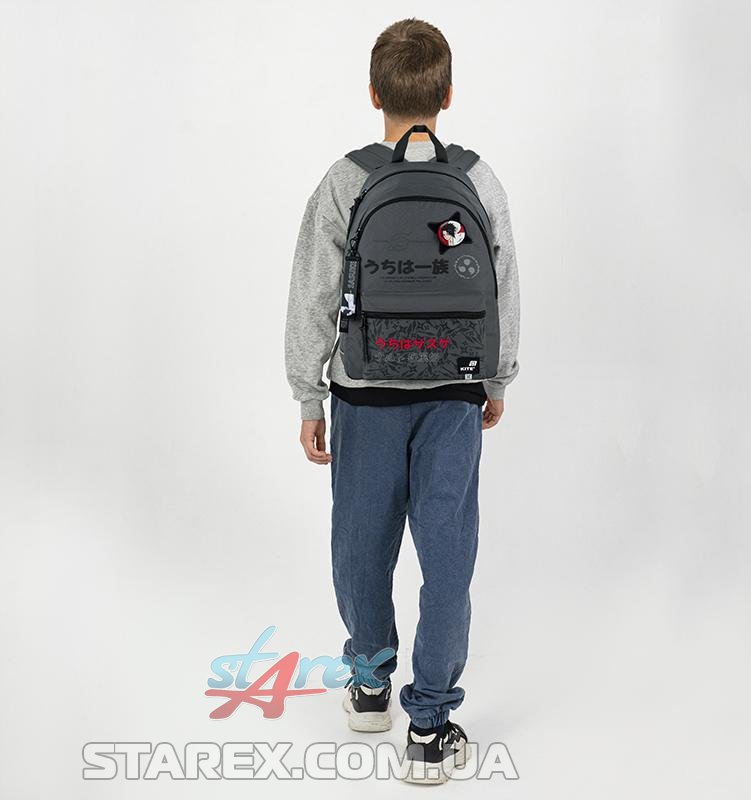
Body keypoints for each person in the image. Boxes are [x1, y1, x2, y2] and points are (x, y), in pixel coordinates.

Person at [284, 17, 520, 783]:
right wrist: (496, 379)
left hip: (364, 395)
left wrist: (308, 396)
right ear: (448, 96)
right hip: (453, 392)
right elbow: (503, 286)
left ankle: (368, 684)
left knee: (361, 545)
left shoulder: (345, 180)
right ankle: (430, 726)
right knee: (447, 556)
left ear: (373, 94)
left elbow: (314, 294)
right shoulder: (478, 180)